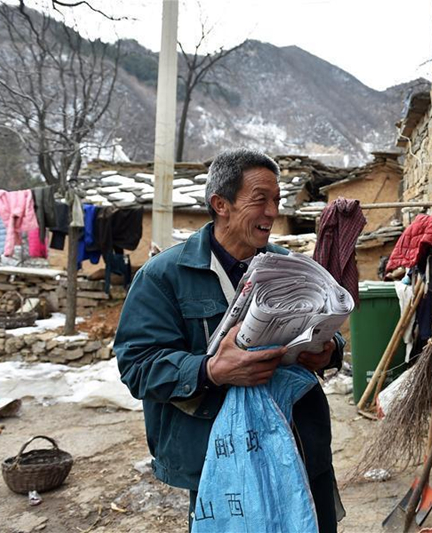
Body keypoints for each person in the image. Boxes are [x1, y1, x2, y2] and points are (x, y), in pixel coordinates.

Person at [114, 149, 345, 532]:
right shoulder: (164, 276)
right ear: (220, 204)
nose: (272, 212)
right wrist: (210, 370)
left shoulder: (289, 267)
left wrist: (328, 349)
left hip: (296, 444)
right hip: (219, 458)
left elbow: (327, 331)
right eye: (260, 199)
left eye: (277, 200)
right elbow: (138, 367)